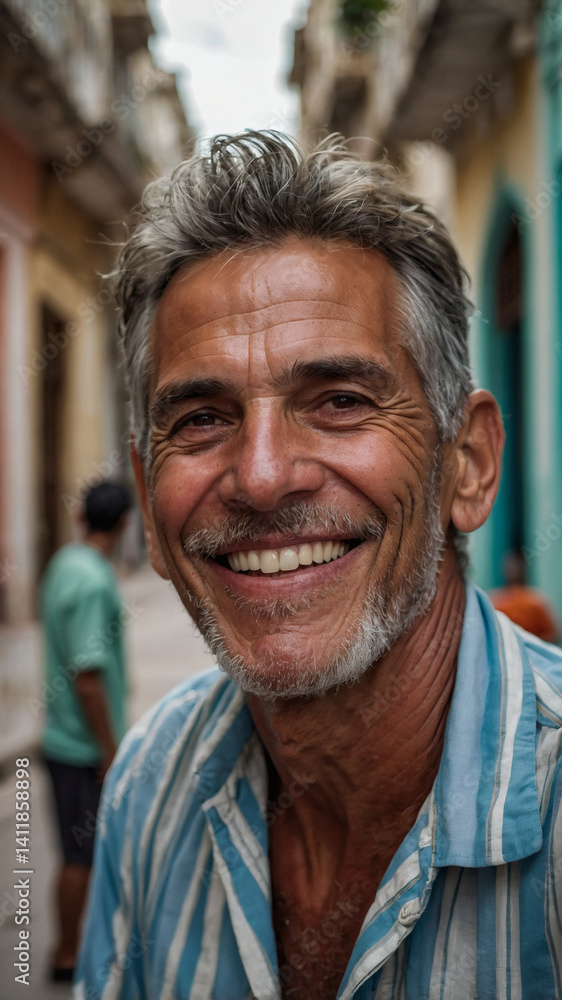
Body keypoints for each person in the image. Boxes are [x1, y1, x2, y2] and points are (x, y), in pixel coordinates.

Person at [74, 133, 562, 1000]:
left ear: (469, 464)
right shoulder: (149, 786)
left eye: (340, 401)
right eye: (201, 419)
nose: (262, 477)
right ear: (149, 502)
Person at [41, 479, 131, 981]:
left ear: (80, 517)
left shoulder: (63, 563)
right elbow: (88, 677)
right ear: (123, 524)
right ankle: (67, 954)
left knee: (78, 852)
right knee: (82, 855)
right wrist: (109, 749)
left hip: (62, 737)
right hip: (81, 747)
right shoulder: (95, 581)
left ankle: (71, 949)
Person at [489, 549, 558, 642]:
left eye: (516, 566)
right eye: (510, 565)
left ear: (524, 569)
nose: (513, 569)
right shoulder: (495, 600)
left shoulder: (535, 600)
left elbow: (552, 635)